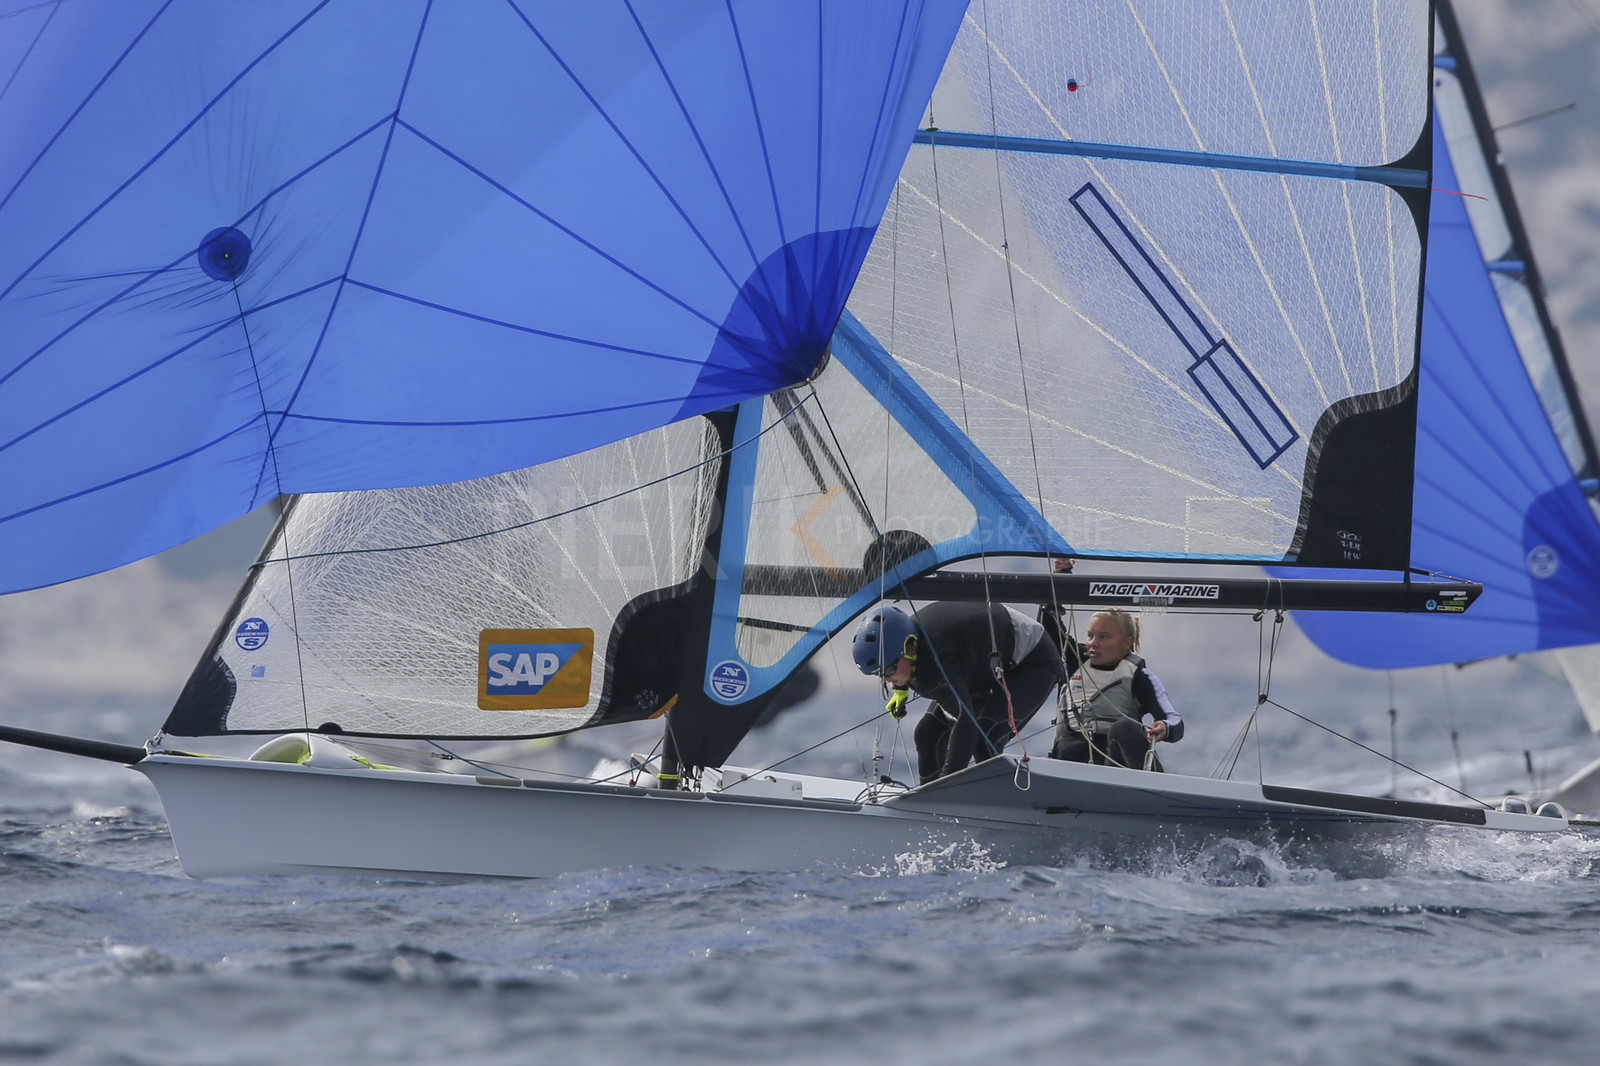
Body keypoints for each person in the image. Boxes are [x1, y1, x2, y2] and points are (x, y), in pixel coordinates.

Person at [852, 602, 1064, 784]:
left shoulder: (938, 660)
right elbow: (900, 663)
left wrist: (949, 785)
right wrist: (900, 689)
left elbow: (966, 721)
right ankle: (930, 806)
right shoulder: (910, 646)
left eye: (888, 670)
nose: (885, 679)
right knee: (927, 735)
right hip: (980, 663)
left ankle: (997, 806)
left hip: (1032, 660)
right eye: (878, 674)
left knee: (985, 740)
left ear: (910, 648)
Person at [1050, 608, 1182, 770]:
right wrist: (1049, 606)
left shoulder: (1141, 677)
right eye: (1090, 635)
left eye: (1104, 637)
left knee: (1123, 728)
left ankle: (1147, 788)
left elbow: (1174, 720)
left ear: (1126, 643)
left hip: (1119, 766)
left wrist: (1165, 727)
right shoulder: (1074, 660)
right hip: (1070, 763)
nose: (1093, 643)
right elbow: (1050, 629)